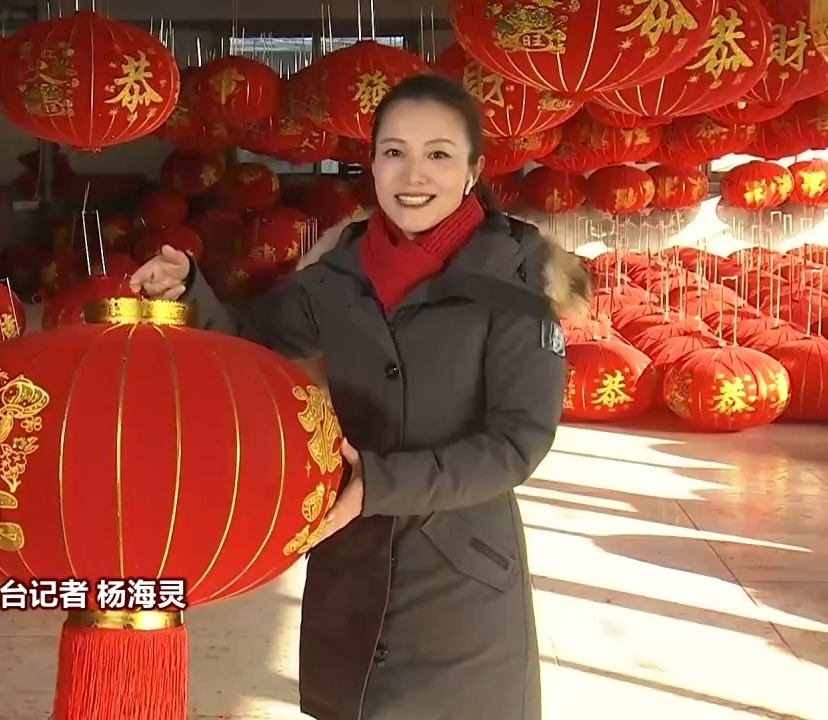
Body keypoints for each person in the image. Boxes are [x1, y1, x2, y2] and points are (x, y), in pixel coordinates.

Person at [130, 73, 590, 720]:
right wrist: (188, 291)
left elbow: (517, 443)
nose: (413, 174)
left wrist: (379, 483)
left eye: (438, 154)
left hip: (458, 565)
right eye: (394, 152)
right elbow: (253, 340)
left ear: (472, 171)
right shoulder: (341, 273)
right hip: (351, 554)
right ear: (371, 165)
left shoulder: (515, 286)